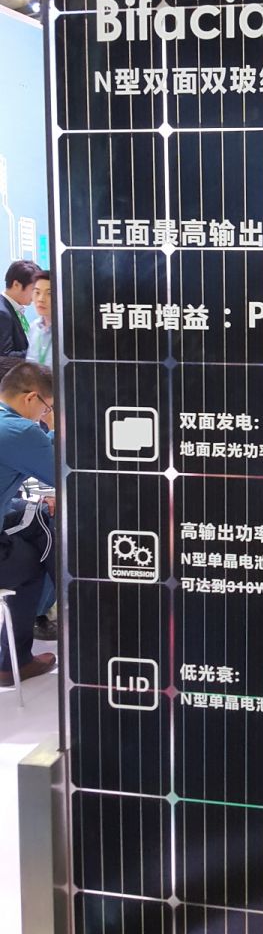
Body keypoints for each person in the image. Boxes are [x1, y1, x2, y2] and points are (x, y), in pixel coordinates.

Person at [0, 360, 56, 685]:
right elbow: (68, 476)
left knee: (35, 517)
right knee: (36, 559)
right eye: (47, 408)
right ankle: (13, 661)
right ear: (31, 398)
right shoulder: (22, 431)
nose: (44, 415)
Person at [0, 259, 41, 359]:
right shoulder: (3, 313)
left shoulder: (13, 307)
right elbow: (5, 357)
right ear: (16, 285)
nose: (36, 296)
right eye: (34, 290)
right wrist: (37, 351)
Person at [26, 270, 52, 367]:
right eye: (37, 292)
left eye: (49, 293)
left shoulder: (68, 332)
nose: (41, 299)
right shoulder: (33, 327)